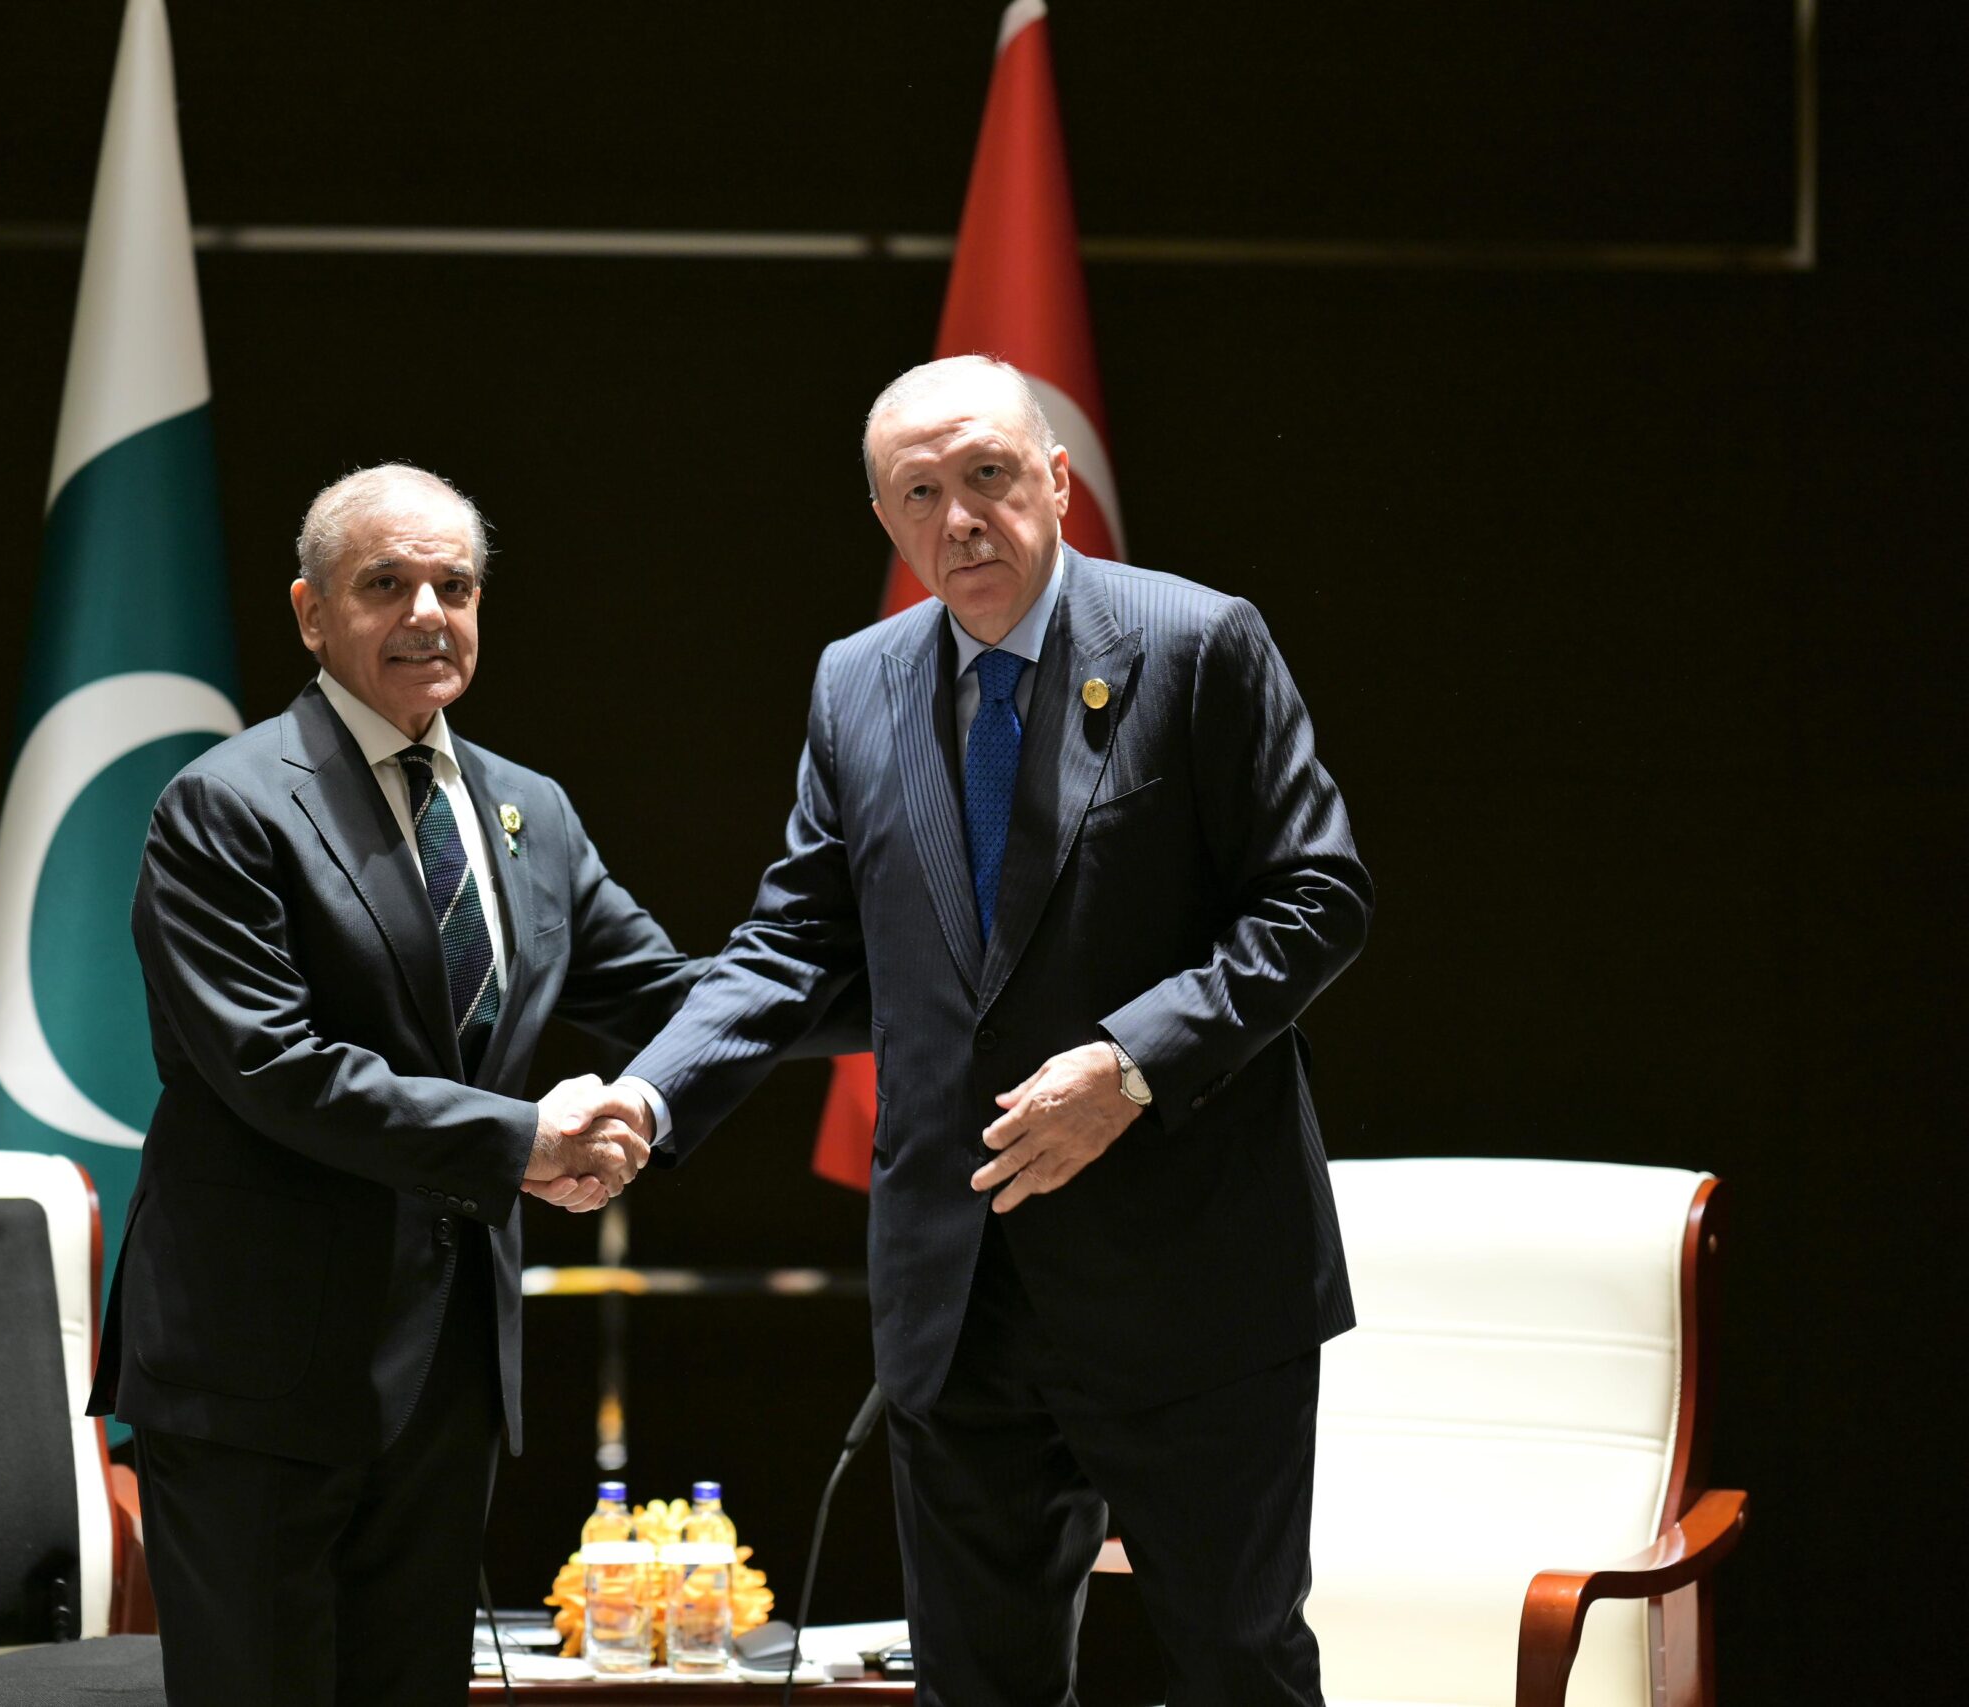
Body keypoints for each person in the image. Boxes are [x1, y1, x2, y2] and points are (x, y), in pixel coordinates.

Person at [587, 356, 1373, 1705]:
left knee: (1236, 1665)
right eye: (920, 494)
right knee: (973, 1684)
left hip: (1188, 1279)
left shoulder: (1197, 643)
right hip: (960, 1295)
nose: (959, 518)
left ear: (1055, 481)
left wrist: (1130, 1065)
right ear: (886, 521)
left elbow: (1317, 898)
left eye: (989, 476)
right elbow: (795, 944)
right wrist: (648, 1098)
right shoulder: (858, 682)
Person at [86, 463, 700, 1706]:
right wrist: (524, 1139)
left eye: (454, 587)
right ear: (311, 613)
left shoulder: (530, 811)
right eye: (385, 584)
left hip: (445, 1376)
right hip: (259, 1378)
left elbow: (676, 999)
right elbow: (274, 1067)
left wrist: (898, 993)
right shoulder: (225, 805)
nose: (428, 613)